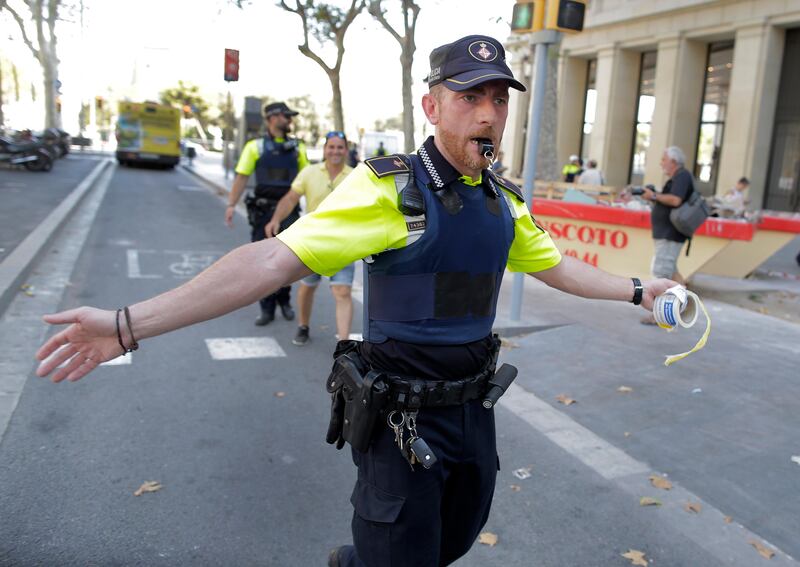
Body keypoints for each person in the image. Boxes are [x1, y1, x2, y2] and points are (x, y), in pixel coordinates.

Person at [35, 34, 677, 567]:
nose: (486, 113)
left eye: (496, 99)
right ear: (432, 106)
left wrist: (644, 290)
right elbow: (268, 260)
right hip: (401, 420)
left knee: (450, 542)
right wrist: (125, 325)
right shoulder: (387, 191)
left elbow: (560, 268)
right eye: (468, 96)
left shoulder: (503, 203)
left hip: (473, 415)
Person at [264, 131, 355, 346]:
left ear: (346, 150)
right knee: (307, 287)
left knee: (342, 291)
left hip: (344, 243)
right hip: (313, 242)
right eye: (331, 147)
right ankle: (303, 326)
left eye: (340, 147)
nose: (335, 151)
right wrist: (276, 219)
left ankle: (343, 343)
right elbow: (290, 198)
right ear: (324, 150)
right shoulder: (309, 172)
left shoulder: (356, 176)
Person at [224, 101, 309, 326]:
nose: (290, 120)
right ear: (272, 118)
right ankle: (266, 308)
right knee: (262, 262)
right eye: (286, 116)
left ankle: (285, 302)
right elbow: (242, 177)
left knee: (290, 260)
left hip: (289, 212)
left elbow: (307, 179)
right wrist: (231, 204)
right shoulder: (255, 147)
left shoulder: (298, 147)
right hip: (262, 211)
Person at [640, 146, 693, 324]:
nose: (661, 163)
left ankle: (659, 314)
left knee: (661, 273)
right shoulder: (678, 178)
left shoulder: (682, 176)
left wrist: (654, 195)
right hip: (668, 233)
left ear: (673, 161)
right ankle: (686, 305)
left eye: (664, 159)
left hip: (670, 234)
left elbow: (675, 200)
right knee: (671, 272)